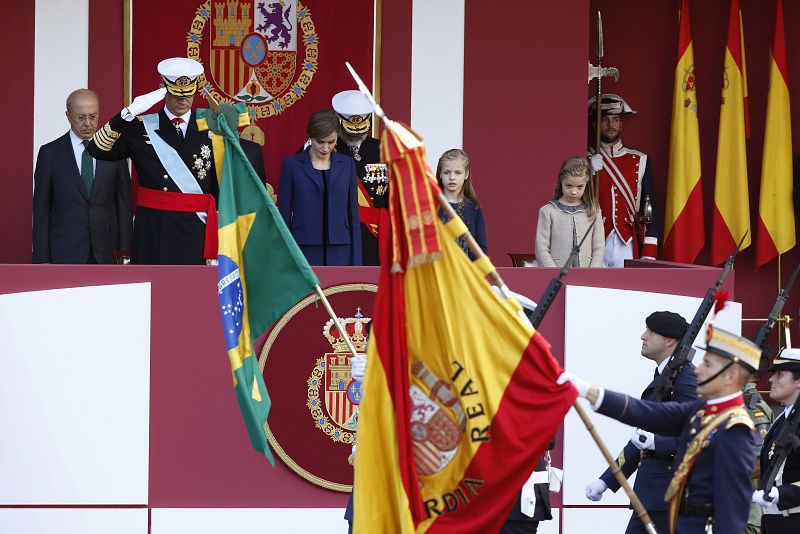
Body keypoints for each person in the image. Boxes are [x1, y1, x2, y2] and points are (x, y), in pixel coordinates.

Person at [560, 324, 760, 533]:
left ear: (731, 377)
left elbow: (732, 510)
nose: (698, 370)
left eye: (707, 365)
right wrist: (588, 391)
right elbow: (649, 413)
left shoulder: (735, 429)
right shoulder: (703, 410)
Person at [87, 57, 217, 265]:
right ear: (162, 89)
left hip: (196, 228)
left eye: (188, 94)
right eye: (175, 94)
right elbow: (97, 149)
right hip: (155, 228)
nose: (183, 101)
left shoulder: (211, 128)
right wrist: (127, 114)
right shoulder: (140, 127)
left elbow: (219, 183)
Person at [584, 311, 695, 534]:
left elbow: (699, 435)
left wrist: (659, 443)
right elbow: (640, 439)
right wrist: (607, 481)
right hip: (650, 495)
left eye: (651, 331)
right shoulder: (665, 378)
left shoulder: (685, 380)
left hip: (671, 496)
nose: (643, 336)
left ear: (669, 341)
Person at [33, 89, 131, 264]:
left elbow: (124, 208)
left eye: (93, 116)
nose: (88, 123)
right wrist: (42, 260)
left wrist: (126, 256)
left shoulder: (115, 151)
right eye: (81, 117)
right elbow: (41, 211)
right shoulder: (50, 153)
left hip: (108, 251)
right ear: (68, 116)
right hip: (65, 251)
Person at [278, 109, 362, 266]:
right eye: (320, 142)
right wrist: (284, 256)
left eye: (331, 142)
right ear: (310, 137)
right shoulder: (292, 165)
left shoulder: (347, 165)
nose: (325, 148)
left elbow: (353, 215)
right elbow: (283, 215)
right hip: (303, 247)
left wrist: (357, 261)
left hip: (341, 248)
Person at [588, 94, 658, 267]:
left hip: (627, 241)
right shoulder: (585, 160)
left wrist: (649, 252)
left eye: (616, 119)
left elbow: (649, 208)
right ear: (595, 124)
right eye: (604, 119)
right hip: (592, 240)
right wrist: (588, 170)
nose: (611, 125)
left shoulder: (640, 159)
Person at [332, 89, 388, 266]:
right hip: (337, 232)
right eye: (350, 133)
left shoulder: (383, 150)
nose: (355, 137)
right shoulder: (325, 148)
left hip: (374, 235)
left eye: (359, 133)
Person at [752, 348, 800, 532]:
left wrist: (781, 493)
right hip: (775, 522)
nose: (771, 379)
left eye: (780, 375)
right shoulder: (783, 418)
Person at [534, 156, 604, 267]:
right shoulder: (547, 211)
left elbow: (598, 248)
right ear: (561, 181)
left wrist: (592, 272)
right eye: (568, 186)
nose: (574, 192)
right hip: (556, 275)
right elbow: (541, 248)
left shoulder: (594, 211)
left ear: (587, 184)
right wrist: (553, 272)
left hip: (586, 276)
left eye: (580, 187)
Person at [436, 149, 487, 260]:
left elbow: (482, 247)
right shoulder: (431, 206)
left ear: (466, 174)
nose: (452, 177)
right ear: (440, 174)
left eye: (458, 172)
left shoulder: (474, 208)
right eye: (447, 172)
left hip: (465, 273)